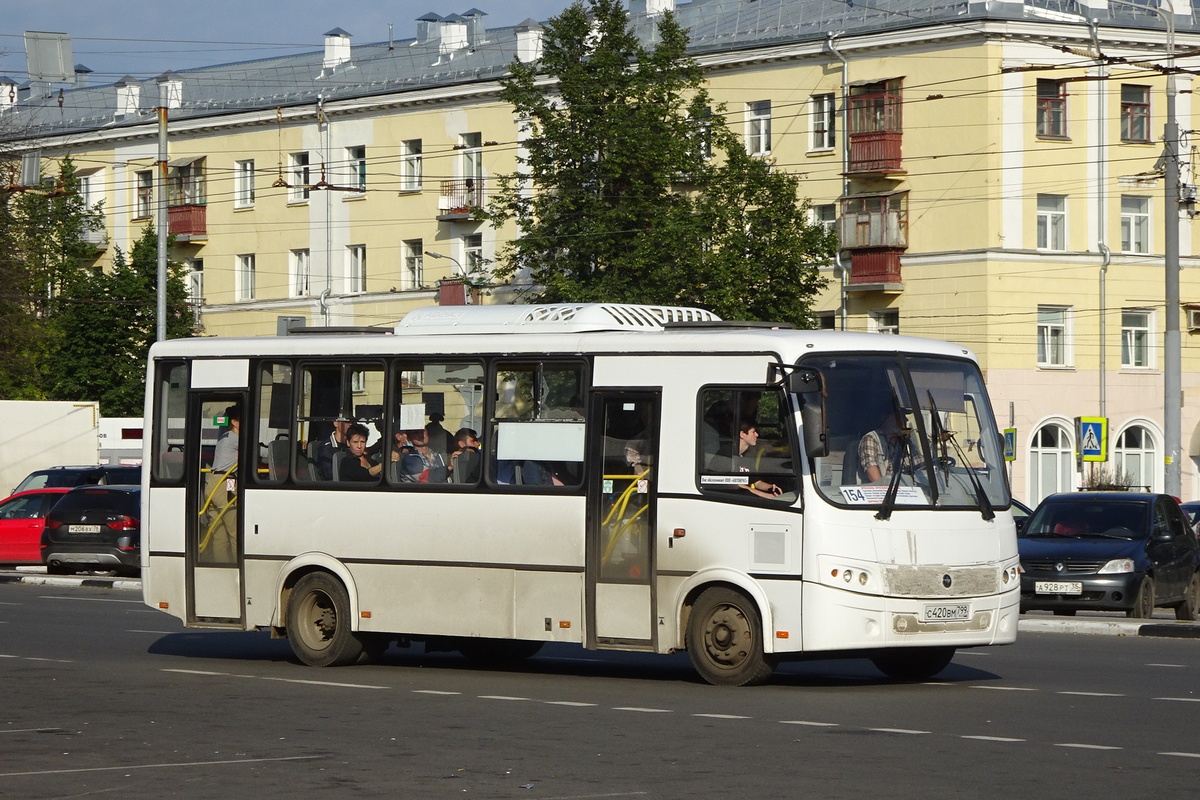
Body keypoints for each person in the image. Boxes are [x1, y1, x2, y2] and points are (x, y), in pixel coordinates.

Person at [711, 420, 783, 499]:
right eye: (753, 432)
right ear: (742, 434)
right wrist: (766, 495)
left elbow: (756, 482)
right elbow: (735, 485)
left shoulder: (748, 455)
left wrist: (770, 488)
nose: (757, 435)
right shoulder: (726, 455)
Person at [204, 405, 239, 563]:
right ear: (234, 422)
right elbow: (259, 452)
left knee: (220, 536)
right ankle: (237, 565)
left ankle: (222, 567)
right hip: (224, 484)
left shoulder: (223, 436)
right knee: (235, 532)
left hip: (213, 484)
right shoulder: (234, 438)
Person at [857, 405, 915, 484]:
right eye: (900, 416)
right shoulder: (871, 439)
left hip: (903, 490)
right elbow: (872, 472)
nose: (906, 419)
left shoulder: (903, 440)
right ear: (886, 418)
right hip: (878, 493)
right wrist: (884, 491)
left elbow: (918, 463)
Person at [314, 414, 352, 480]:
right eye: (346, 421)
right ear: (336, 423)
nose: (350, 424)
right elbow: (329, 474)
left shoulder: (353, 445)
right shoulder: (325, 448)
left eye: (352, 421)